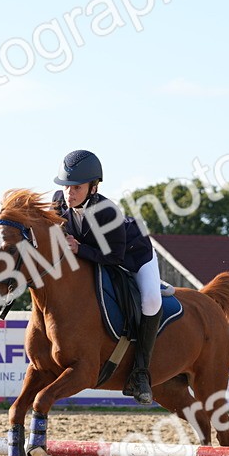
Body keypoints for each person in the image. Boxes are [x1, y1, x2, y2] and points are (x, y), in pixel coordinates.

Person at [52, 149, 161, 404]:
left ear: (93, 187)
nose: (70, 194)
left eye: (76, 188)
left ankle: (141, 373)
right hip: (96, 257)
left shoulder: (107, 211)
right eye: (66, 187)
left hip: (134, 256)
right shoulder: (58, 202)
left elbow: (115, 257)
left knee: (152, 301)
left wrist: (80, 248)